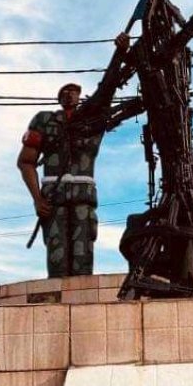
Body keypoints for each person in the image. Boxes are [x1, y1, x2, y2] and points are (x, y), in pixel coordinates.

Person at [17, 34, 130, 278]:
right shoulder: (44, 120)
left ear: (80, 97)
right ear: (59, 98)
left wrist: (119, 54)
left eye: (74, 91)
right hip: (53, 198)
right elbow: (25, 162)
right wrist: (37, 199)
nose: (69, 94)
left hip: (83, 197)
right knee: (56, 261)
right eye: (65, 91)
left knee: (83, 261)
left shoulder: (92, 118)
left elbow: (108, 86)